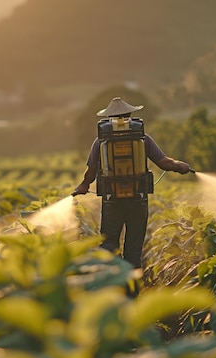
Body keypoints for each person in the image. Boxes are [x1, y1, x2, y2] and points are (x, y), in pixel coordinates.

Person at [74, 97, 191, 269]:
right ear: (129, 114)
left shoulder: (101, 141)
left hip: (112, 199)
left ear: (109, 118)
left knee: (109, 246)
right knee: (133, 251)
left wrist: (82, 186)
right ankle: (133, 289)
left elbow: (90, 173)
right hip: (138, 199)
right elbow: (164, 163)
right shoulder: (142, 137)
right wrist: (181, 166)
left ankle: (113, 285)